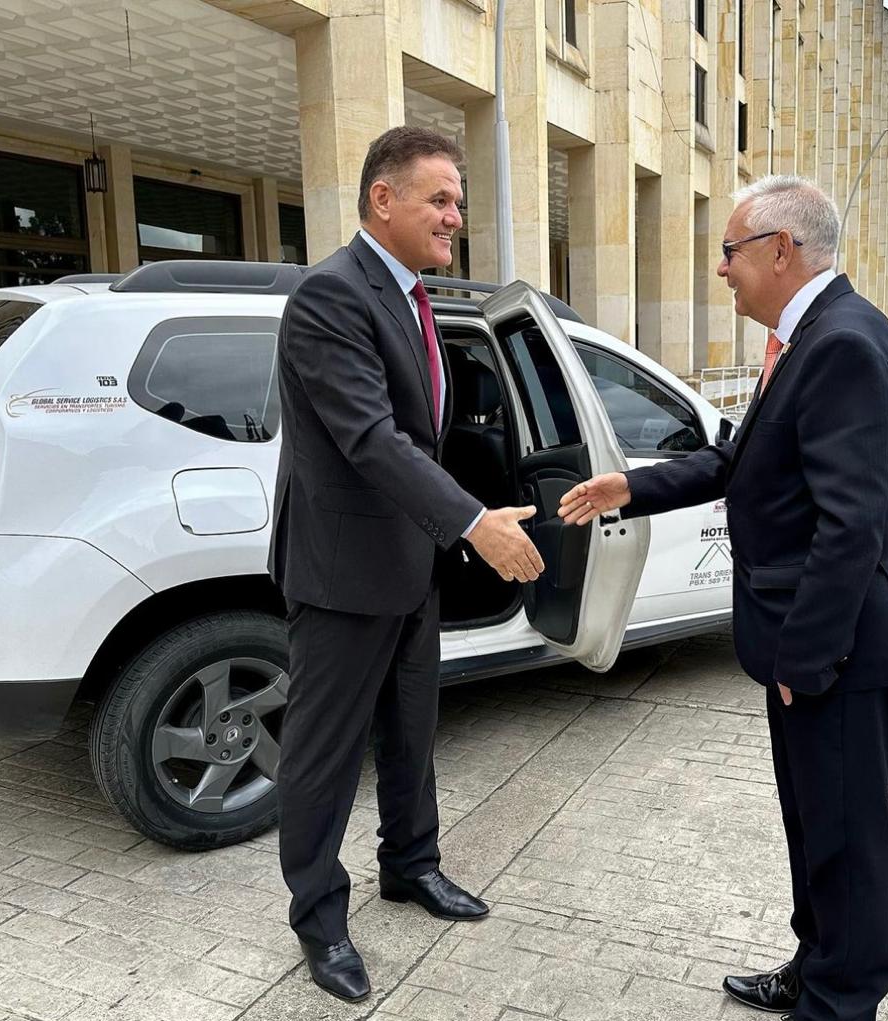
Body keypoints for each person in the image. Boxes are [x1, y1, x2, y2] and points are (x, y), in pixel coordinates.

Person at [559, 176, 888, 1021]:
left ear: (779, 249)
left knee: (848, 841)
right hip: (816, 643)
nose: (721, 269)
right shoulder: (807, 339)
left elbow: (852, 526)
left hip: (839, 647)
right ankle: (816, 965)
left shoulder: (838, 344)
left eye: (729, 250)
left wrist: (805, 656)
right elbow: (738, 463)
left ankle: (841, 1000)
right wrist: (632, 486)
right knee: (815, 825)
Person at [269, 126, 545, 1003]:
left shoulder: (415, 299)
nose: (455, 216)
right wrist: (473, 521)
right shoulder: (330, 296)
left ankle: (410, 866)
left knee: (411, 736)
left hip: (407, 567)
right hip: (342, 573)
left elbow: (421, 430)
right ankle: (320, 920)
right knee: (321, 757)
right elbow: (369, 438)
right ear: (382, 200)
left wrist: (451, 523)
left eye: (458, 201)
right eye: (440, 199)